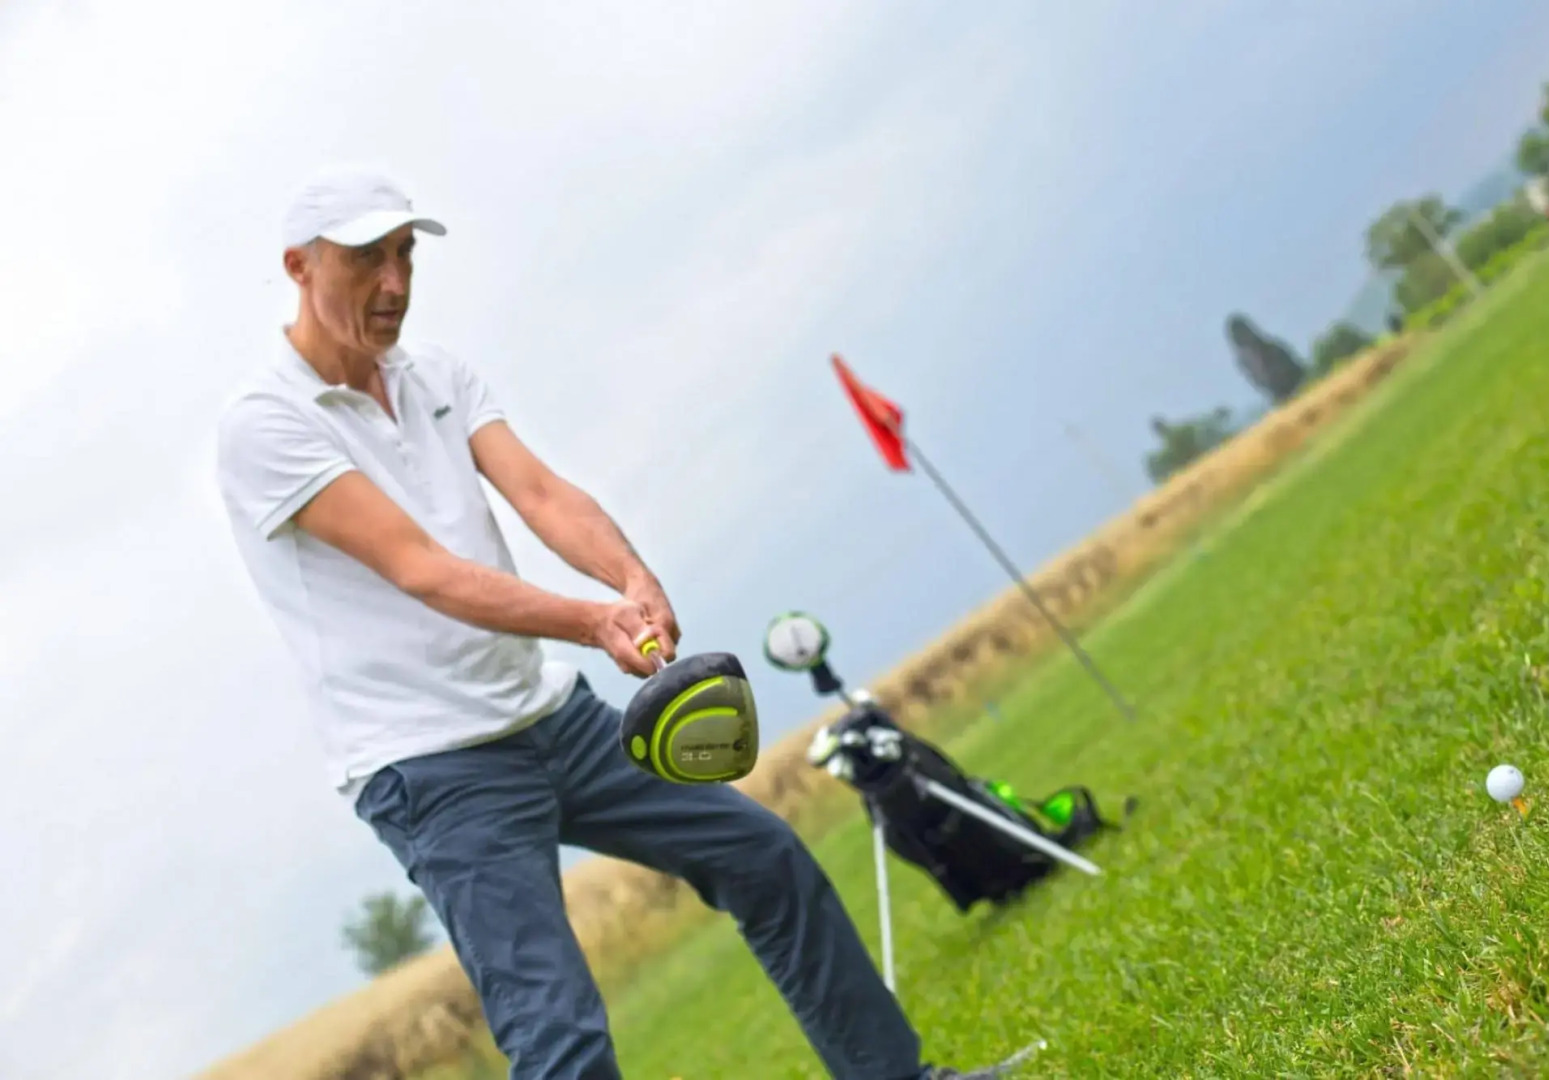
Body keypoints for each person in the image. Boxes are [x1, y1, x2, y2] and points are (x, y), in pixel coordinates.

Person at [214, 167, 1000, 1080]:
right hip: (432, 766)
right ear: (299, 267)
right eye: (365, 260)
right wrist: (596, 621)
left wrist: (631, 577)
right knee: (559, 1032)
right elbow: (420, 569)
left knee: (765, 858)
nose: (394, 283)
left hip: (554, 718)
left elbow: (541, 494)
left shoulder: (436, 375)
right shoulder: (264, 426)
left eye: (405, 255)